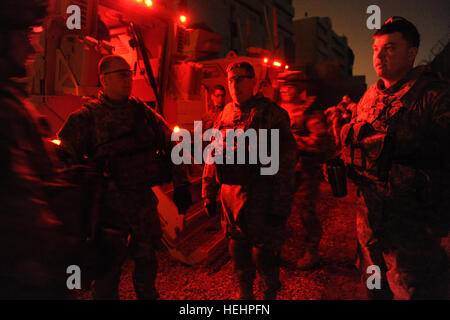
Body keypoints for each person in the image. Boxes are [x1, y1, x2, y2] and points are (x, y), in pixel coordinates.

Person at [57, 55, 193, 300]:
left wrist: (181, 184)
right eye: (120, 74)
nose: (127, 79)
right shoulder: (87, 117)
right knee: (107, 272)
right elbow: (64, 157)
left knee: (147, 264)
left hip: (143, 204)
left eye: (129, 73)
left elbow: (172, 142)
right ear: (103, 79)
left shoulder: (141, 112)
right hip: (109, 209)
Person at [341, 17, 450, 299]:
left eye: (390, 47)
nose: (379, 55)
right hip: (369, 221)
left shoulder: (433, 95)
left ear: (411, 53)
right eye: (375, 48)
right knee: (374, 285)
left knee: (411, 289)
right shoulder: (368, 97)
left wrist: (399, 150)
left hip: (411, 225)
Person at [202, 61, 297, 300]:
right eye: (231, 79)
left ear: (253, 82)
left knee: (263, 255)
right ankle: (244, 295)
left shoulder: (272, 114)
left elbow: (285, 164)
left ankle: (268, 296)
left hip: (262, 198)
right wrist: (208, 191)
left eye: (241, 78)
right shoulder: (224, 114)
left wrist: (280, 206)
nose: (235, 84)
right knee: (237, 248)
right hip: (230, 198)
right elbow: (212, 153)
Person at [0, 0, 74, 299]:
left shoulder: (14, 104)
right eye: (26, 35)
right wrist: (67, 250)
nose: (34, 50)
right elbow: (21, 218)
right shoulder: (6, 111)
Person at [278, 70, 335, 269]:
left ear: (300, 89)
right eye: (283, 86)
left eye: (290, 86)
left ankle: (312, 251)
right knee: (277, 211)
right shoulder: (278, 111)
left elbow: (322, 143)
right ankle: (276, 250)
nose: (284, 90)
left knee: (306, 213)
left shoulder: (310, 113)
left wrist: (293, 141)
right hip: (281, 171)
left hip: (305, 172)